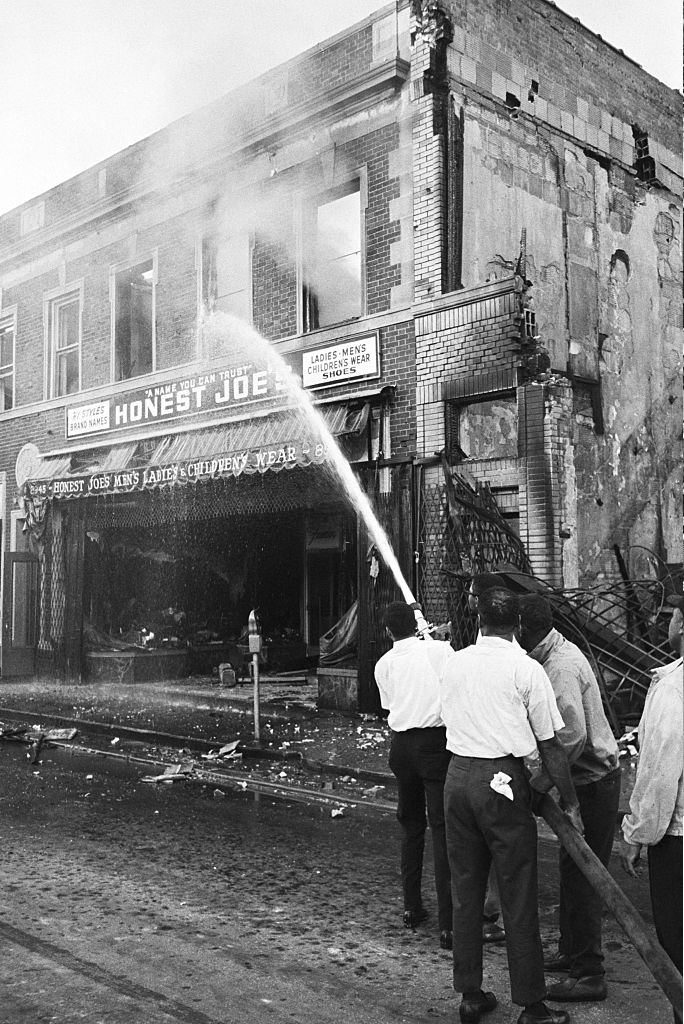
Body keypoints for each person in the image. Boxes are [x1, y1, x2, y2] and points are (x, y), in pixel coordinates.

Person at [440, 587, 582, 1024]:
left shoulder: (454, 663)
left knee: (466, 891)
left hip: (457, 777)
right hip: (501, 781)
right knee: (517, 893)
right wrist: (570, 801)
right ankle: (532, 1004)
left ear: (479, 621)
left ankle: (470, 995)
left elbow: (446, 717)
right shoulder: (526, 670)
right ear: (518, 624)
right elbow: (551, 745)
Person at [518, 594, 621, 1002]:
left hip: (592, 782)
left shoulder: (559, 668)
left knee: (584, 877)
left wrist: (540, 783)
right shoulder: (553, 654)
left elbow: (571, 738)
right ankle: (571, 951)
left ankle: (589, 972)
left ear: (523, 629)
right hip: (584, 780)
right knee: (571, 870)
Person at [374, 601, 454, 950]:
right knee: (443, 830)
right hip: (434, 744)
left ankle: (411, 907)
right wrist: (437, 640)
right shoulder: (439, 651)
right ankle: (449, 924)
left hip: (401, 747)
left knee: (411, 827)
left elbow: (389, 705)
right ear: (417, 625)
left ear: (387, 631)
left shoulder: (383, 664)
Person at [619, 592, 683, 1011]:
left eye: (674, 616)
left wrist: (637, 833)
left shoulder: (674, 689)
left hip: (679, 841)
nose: (669, 625)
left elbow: (660, 772)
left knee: (678, 949)